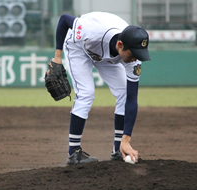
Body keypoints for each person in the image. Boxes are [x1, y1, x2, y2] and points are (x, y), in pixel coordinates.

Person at [48, 12, 150, 165]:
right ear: (120, 45)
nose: (136, 58)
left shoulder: (132, 60)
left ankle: (118, 149)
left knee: (124, 91)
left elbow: (131, 98)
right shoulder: (91, 30)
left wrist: (126, 139)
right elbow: (63, 19)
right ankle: (73, 153)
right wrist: (57, 57)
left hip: (105, 56)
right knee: (86, 93)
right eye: (134, 53)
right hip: (79, 47)